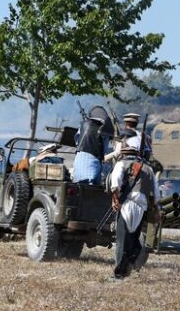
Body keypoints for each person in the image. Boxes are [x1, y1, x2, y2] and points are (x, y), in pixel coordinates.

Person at [109, 146, 157, 279]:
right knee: (134, 239)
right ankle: (129, 263)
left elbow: (115, 183)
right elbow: (155, 193)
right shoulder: (149, 169)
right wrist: (154, 208)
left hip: (126, 204)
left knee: (121, 241)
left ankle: (119, 274)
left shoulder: (121, 164)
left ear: (123, 154)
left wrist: (115, 200)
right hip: (142, 206)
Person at [73, 107, 105, 185]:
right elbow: (103, 149)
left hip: (79, 159)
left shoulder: (82, 125)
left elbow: (77, 140)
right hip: (93, 161)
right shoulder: (102, 130)